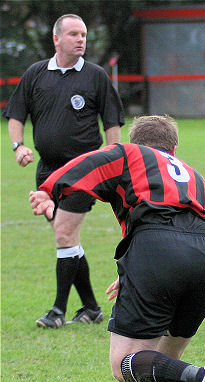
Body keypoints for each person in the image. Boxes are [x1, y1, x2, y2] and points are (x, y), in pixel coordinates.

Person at [29, 115, 205, 382]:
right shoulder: (194, 175)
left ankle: (204, 376)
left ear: (136, 140)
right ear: (174, 148)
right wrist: (135, 272)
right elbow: (195, 227)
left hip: (157, 249)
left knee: (123, 365)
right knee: (167, 359)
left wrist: (48, 189)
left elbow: (89, 162)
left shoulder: (130, 153)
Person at [3, 13, 125, 328]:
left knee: (63, 233)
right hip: (46, 174)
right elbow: (15, 114)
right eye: (73, 34)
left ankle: (58, 311)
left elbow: (112, 123)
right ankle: (91, 308)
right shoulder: (35, 74)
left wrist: (111, 165)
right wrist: (19, 146)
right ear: (57, 38)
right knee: (68, 238)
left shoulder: (96, 76)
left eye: (83, 34)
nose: (80, 39)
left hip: (84, 172)